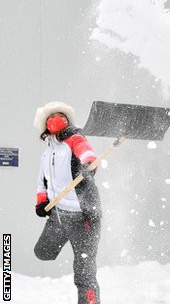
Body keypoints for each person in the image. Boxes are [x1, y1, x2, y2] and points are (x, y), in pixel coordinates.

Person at [33, 101, 102, 304]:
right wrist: (41, 201)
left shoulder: (74, 138)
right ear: (45, 124)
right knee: (42, 252)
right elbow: (42, 182)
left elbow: (86, 152)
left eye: (61, 116)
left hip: (83, 216)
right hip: (59, 215)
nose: (56, 120)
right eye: (52, 117)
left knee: (84, 271)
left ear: (67, 121)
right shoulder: (46, 153)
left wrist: (88, 164)